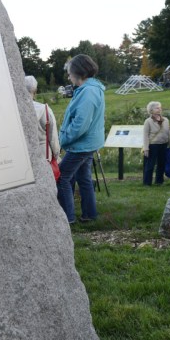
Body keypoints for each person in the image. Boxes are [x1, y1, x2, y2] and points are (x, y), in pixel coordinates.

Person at [57, 54, 105, 224]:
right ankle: (89, 214)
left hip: (81, 145)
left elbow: (80, 124)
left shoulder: (89, 92)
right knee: (83, 178)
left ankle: (68, 218)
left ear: (79, 72)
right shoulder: (92, 88)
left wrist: (63, 140)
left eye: (70, 73)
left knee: (62, 178)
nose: (69, 77)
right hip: (87, 143)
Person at [24, 75, 60, 160]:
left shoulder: (17, 112)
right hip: (45, 154)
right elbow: (53, 137)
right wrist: (56, 154)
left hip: (26, 155)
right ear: (35, 91)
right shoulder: (45, 110)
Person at [141, 101, 170, 186]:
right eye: (157, 108)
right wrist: (146, 148)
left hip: (163, 144)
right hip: (152, 145)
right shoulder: (148, 121)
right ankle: (147, 182)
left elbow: (168, 133)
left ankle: (159, 181)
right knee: (150, 165)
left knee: (161, 163)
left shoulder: (165, 120)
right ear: (151, 110)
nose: (159, 109)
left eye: (160, 107)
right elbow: (145, 135)